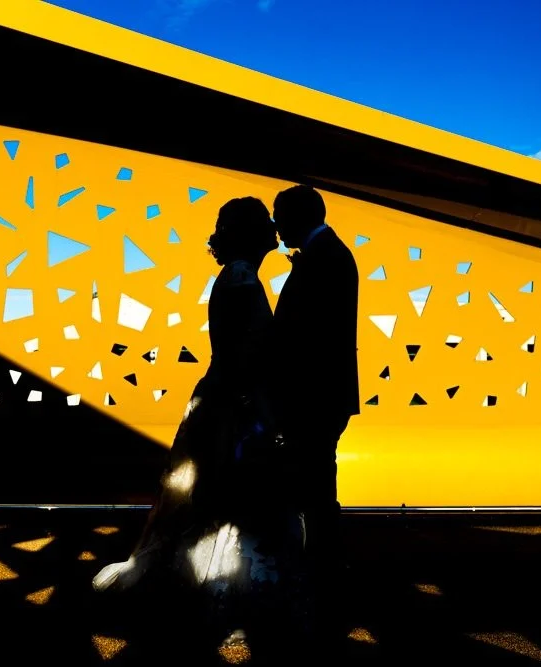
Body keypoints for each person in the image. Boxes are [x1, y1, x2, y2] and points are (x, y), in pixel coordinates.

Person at [92, 196, 307, 645]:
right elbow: (247, 352)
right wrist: (259, 405)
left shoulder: (233, 275)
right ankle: (224, 594)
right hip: (237, 402)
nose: (273, 231)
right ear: (253, 234)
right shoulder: (243, 277)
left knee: (217, 498)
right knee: (234, 499)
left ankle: (209, 585)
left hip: (222, 396)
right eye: (265, 224)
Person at [268, 185, 361, 646]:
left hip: (315, 395)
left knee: (315, 488)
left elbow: (310, 337)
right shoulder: (327, 252)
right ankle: (324, 572)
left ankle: (324, 579)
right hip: (321, 395)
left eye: (279, 215)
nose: (276, 225)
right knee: (315, 484)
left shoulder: (326, 257)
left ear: (299, 215)